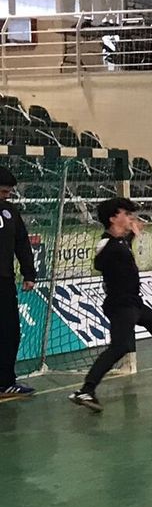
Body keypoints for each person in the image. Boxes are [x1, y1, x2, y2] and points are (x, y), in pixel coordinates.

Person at [68, 198, 152, 412]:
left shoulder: (121, 241)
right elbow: (100, 261)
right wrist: (127, 236)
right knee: (120, 347)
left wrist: (133, 232)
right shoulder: (107, 243)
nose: (130, 216)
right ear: (113, 218)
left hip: (133, 302)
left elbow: (122, 246)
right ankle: (86, 390)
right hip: (121, 304)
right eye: (125, 213)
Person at [0, 167, 39, 396]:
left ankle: (5, 381)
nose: (7, 195)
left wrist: (29, 273)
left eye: (9, 192)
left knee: (9, 331)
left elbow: (22, 243)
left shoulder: (10, 212)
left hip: (4, 282)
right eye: (4, 191)